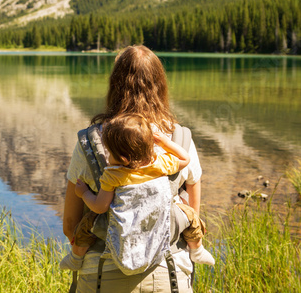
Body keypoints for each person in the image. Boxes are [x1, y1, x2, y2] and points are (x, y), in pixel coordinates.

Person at [63, 45, 207, 292]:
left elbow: (70, 226)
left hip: (101, 276)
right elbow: (190, 218)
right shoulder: (180, 140)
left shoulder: (90, 141)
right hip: (169, 275)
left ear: (114, 85)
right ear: (160, 85)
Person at [60, 114, 214, 272]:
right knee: (191, 217)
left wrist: (84, 192)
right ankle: (197, 250)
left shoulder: (113, 175)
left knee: (87, 225)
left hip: (125, 233)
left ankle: (76, 258)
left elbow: (100, 207)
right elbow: (185, 159)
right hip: (154, 224)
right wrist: (165, 142)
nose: (108, 158)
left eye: (110, 154)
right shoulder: (160, 164)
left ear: (122, 158)